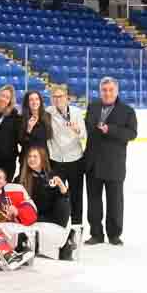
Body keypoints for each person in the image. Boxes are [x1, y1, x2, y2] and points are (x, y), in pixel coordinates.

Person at [83, 77, 137, 247]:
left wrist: (110, 130)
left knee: (115, 202)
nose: (107, 93)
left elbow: (132, 134)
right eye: (104, 90)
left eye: (110, 90)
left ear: (117, 91)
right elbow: (86, 128)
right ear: (100, 91)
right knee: (93, 201)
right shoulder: (93, 107)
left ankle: (114, 235)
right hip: (93, 163)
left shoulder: (127, 111)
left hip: (114, 164)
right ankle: (96, 234)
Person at [19, 146, 80, 261]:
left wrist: (61, 185)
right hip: (32, 215)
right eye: (29, 157)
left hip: (51, 216)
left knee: (63, 200)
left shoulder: (52, 176)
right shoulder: (21, 178)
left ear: (42, 159)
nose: (31, 159)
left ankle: (65, 240)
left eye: (35, 156)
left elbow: (64, 198)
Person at [46, 84, 88, 235]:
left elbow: (84, 135)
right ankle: (57, 228)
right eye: (54, 97)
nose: (57, 99)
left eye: (60, 96)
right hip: (56, 160)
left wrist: (77, 129)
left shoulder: (76, 112)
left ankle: (77, 228)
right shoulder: (48, 112)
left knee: (76, 195)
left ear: (67, 98)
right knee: (57, 195)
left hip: (75, 159)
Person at [18, 87, 50, 161]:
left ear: (40, 101)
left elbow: (49, 137)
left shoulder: (47, 116)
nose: (34, 102)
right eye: (31, 100)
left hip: (43, 157)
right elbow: (21, 142)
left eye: (37, 99)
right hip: (28, 158)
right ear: (27, 102)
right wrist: (29, 129)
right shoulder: (20, 119)